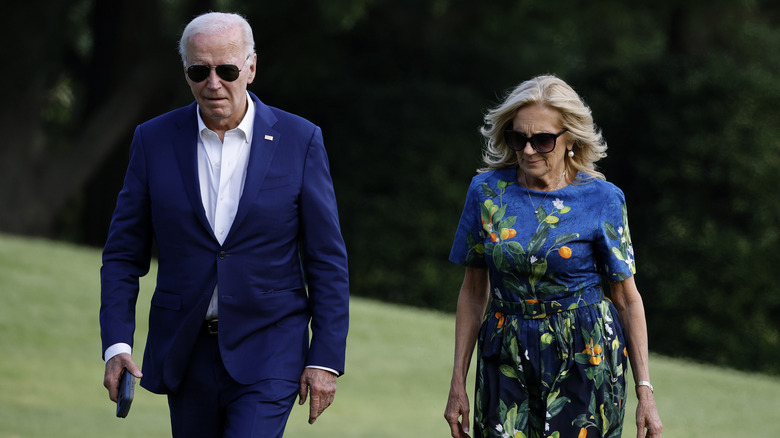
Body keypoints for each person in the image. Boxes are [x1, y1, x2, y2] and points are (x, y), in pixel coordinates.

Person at [99, 12, 349, 437]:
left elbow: (326, 258)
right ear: (186, 72)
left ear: (251, 68)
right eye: (200, 70)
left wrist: (324, 358)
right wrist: (117, 344)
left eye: (227, 70)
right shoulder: (153, 140)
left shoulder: (300, 140)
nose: (213, 83)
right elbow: (124, 255)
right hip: (186, 350)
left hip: (271, 347)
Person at [444, 75, 662, 438]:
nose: (528, 150)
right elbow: (472, 292)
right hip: (505, 356)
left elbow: (626, 298)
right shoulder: (486, 192)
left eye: (542, 140)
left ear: (570, 139)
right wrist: (457, 383)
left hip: (584, 358)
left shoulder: (603, 198)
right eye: (518, 138)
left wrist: (645, 391)